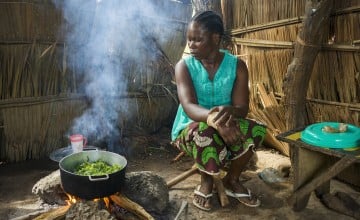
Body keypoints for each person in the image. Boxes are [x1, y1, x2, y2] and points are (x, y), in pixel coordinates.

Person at [171, 10, 267, 211]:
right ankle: (206, 181)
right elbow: (188, 106)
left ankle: (233, 179)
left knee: (256, 129)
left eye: (197, 40)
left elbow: (242, 108)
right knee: (204, 133)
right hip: (190, 127)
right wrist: (215, 120)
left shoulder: (237, 66)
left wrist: (229, 110)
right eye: (189, 39)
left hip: (227, 123)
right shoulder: (184, 66)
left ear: (215, 39)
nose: (191, 45)